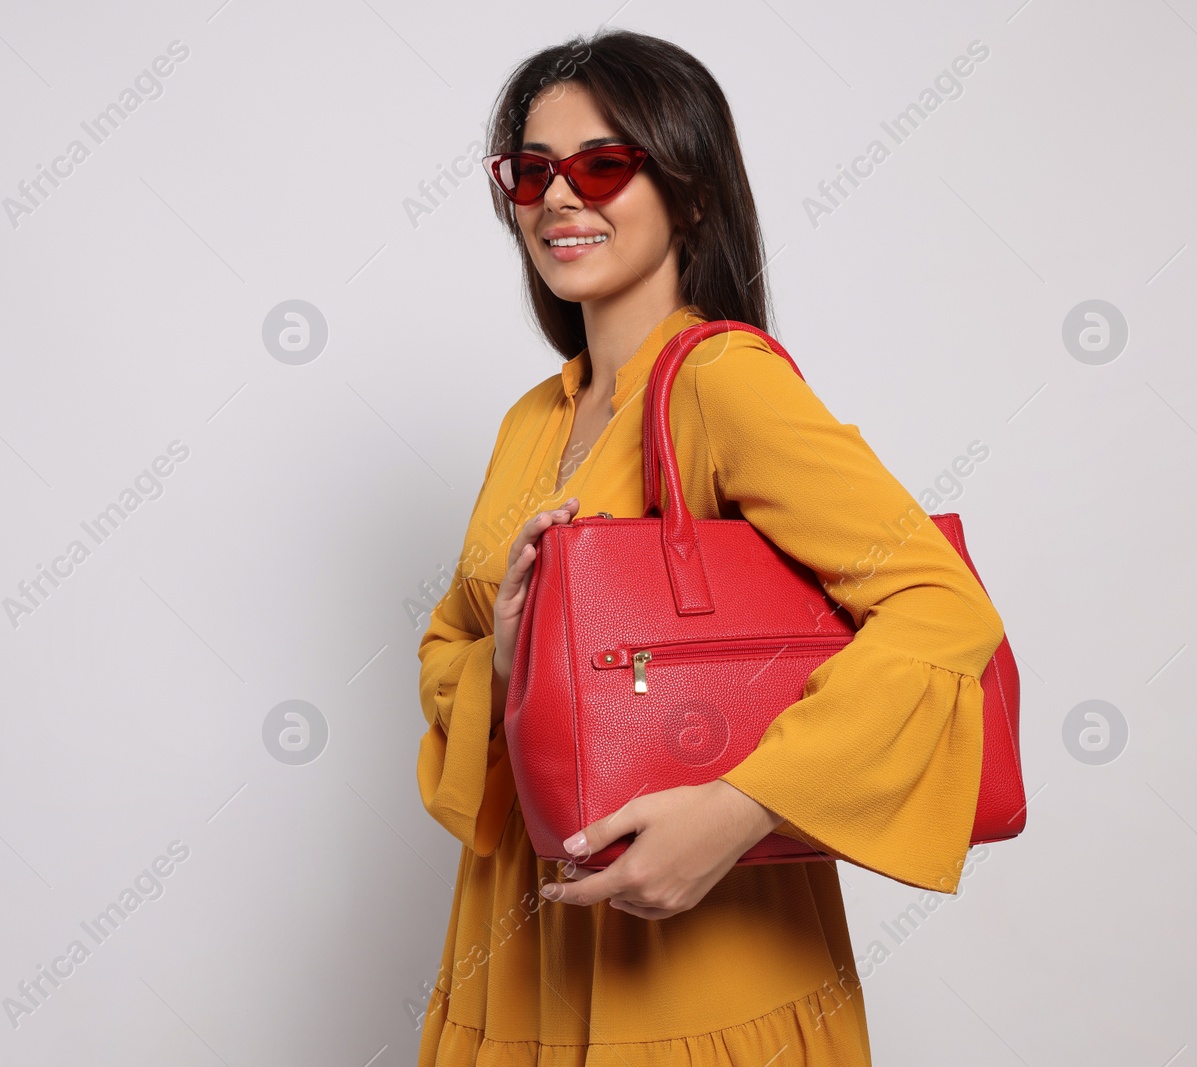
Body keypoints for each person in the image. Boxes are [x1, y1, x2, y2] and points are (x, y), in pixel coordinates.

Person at [414, 28, 1005, 1067]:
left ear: (689, 191)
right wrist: (508, 654)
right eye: (531, 170)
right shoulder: (529, 423)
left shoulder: (720, 382)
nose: (558, 198)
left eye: (601, 164)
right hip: (512, 952)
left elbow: (942, 606)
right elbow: (444, 656)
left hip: (698, 963)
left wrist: (737, 810)